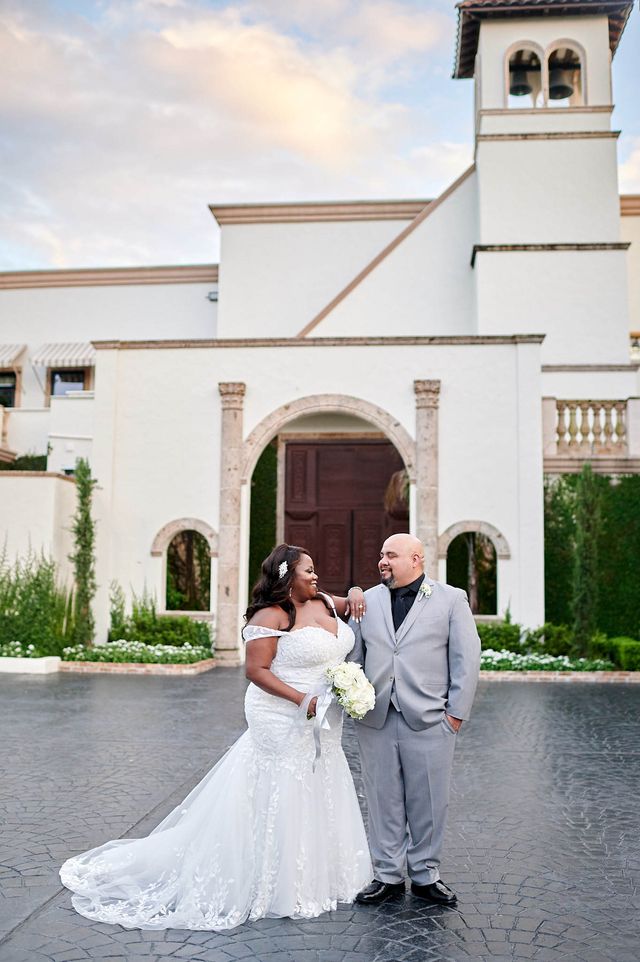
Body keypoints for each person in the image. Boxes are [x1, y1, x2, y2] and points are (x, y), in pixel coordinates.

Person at [60, 543, 371, 930]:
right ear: (287, 576)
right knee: (282, 783)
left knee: (319, 777)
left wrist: (357, 592)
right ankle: (275, 879)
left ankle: (323, 872)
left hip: (325, 717)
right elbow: (256, 670)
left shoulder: (324, 601)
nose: (315, 575)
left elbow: (353, 601)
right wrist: (300, 699)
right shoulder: (270, 614)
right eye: (308, 570)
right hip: (279, 713)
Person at [350, 533, 480, 907]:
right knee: (381, 798)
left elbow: (466, 660)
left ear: (417, 559)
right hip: (376, 718)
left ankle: (425, 875)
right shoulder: (368, 601)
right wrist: (355, 700)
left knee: (429, 800)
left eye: (390, 554)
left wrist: (454, 716)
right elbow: (355, 656)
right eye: (381, 553)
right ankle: (387, 875)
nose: (382, 561)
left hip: (430, 719)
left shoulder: (451, 599)